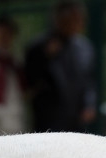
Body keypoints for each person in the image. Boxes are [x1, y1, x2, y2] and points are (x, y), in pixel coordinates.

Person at [24, 0, 96, 133]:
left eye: (78, 18)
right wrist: (45, 57)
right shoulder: (39, 47)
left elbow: (88, 81)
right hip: (48, 123)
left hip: (77, 121)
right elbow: (30, 83)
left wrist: (89, 104)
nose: (75, 23)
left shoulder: (84, 48)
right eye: (69, 19)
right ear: (57, 19)